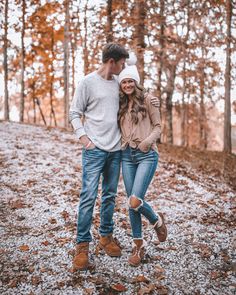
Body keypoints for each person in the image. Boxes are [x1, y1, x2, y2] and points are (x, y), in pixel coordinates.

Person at [69, 43, 129, 271]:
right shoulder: (87, 82)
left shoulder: (119, 85)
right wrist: (84, 139)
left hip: (115, 152)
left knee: (110, 196)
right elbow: (74, 113)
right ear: (111, 61)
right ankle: (82, 246)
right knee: (88, 197)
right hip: (94, 151)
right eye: (121, 63)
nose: (123, 67)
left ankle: (106, 236)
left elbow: (133, 101)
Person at [117, 63, 167, 267]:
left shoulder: (148, 100)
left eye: (130, 81)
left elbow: (158, 127)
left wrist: (147, 142)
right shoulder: (119, 103)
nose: (127, 84)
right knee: (131, 202)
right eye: (124, 82)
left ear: (136, 82)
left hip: (146, 155)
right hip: (126, 155)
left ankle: (157, 221)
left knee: (136, 201)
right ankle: (138, 245)